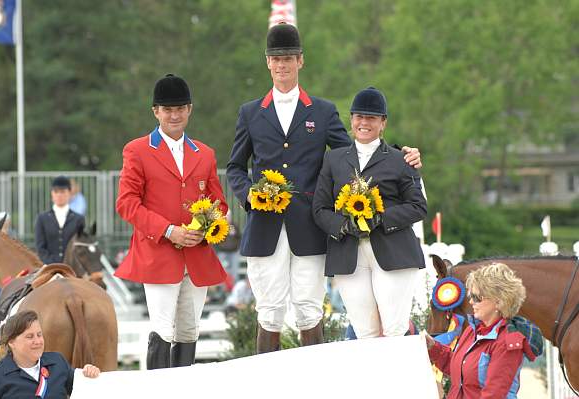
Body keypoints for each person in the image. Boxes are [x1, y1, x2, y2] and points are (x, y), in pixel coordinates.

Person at [226, 23, 422, 353]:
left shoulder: (323, 110)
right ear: (267, 63)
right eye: (276, 59)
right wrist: (250, 195)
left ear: (300, 61)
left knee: (309, 308)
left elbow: (355, 154)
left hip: (309, 225)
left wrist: (402, 155)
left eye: (289, 58)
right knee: (269, 311)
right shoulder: (250, 113)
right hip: (264, 225)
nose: (282, 65)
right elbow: (235, 167)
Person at [115, 74, 228, 369]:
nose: (174, 115)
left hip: (197, 251)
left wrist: (205, 228)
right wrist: (168, 230)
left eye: (180, 108)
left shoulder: (204, 154)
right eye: (167, 110)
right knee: (163, 329)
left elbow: (219, 203)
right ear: (156, 112)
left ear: (189, 109)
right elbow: (126, 203)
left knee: (189, 331)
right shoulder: (137, 150)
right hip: (158, 251)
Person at [312, 87, 427, 338]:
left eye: (372, 118)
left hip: (392, 249)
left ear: (383, 123)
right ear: (351, 120)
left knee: (395, 328)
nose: (364, 123)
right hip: (349, 252)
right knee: (365, 332)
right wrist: (343, 225)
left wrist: (381, 219)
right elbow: (320, 208)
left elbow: (418, 205)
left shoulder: (400, 159)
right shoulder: (334, 159)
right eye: (359, 117)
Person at [423, 263, 543, 398]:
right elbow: (459, 368)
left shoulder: (507, 341)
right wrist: (433, 347)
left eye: (476, 297)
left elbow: (494, 393)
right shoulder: (472, 331)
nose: (471, 302)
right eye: (470, 296)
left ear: (498, 301)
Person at [0, 310, 99, 398]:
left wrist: (88, 374)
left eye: (39, 334)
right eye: (29, 336)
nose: (37, 341)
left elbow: (84, 390)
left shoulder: (58, 362)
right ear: (11, 342)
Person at [35, 176, 85, 264]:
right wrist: (53, 264)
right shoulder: (42, 218)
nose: (59, 195)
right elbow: (40, 247)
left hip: (72, 267)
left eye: (62, 192)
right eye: (56, 192)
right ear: (52, 194)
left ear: (69, 193)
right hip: (49, 267)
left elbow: (80, 246)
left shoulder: (78, 219)